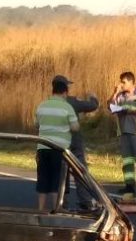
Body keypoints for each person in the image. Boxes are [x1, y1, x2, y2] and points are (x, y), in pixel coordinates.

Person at [34, 75, 80, 211]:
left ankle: (41, 209)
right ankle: (56, 208)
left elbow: (36, 124)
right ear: (65, 92)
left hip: (42, 147)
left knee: (42, 178)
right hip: (59, 148)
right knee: (57, 179)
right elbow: (75, 127)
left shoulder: (42, 105)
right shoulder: (67, 107)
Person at [108, 71, 136, 196]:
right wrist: (115, 93)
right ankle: (129, 185)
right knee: (127, 160)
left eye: (124, 82)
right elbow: (110, 107)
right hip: (123, 132)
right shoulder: (120, 96)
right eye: (121, 82)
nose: (121, 84)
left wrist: (131, 111)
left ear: (131, 82)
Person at [66, 88, 100, 210]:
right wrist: (93, 97)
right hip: (73, 141)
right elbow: (92, 106)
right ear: (66, 90)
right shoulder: (72, 101)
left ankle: (61, 201)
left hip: (57, 142)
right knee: (80, 170)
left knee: (61, 172)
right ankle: (85, 200)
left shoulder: (48, 103)